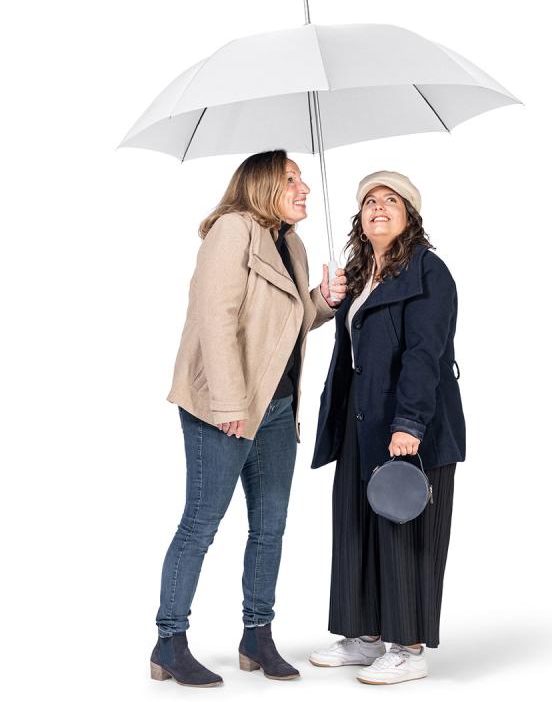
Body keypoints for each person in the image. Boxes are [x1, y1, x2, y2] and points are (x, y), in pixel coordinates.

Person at [150, 150, 347, 685]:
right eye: (292, 179)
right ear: (262, 185)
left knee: (270, 527)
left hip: (277, 408)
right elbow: (214, 320)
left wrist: (324, 300)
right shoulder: (231, 231)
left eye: (303, 179)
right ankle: (169, 641)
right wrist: (230, 405)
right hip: (225, 408)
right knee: (200, 524)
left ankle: (257, 636)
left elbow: (286, 323)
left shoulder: (292, 243)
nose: (304, 188)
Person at [309, 171, 465, 685]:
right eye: (370, 201)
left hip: (411, 424)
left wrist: (410, 422)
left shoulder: (428, 271)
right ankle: (364, 637)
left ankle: (408, 647)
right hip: (361, 420)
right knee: (355, 526)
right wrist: (330, 297)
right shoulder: (359, 275)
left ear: (409, 215)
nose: (378, 207)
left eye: (391, 200)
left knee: (405, 531)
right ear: (360, 217)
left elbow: (425, 353)